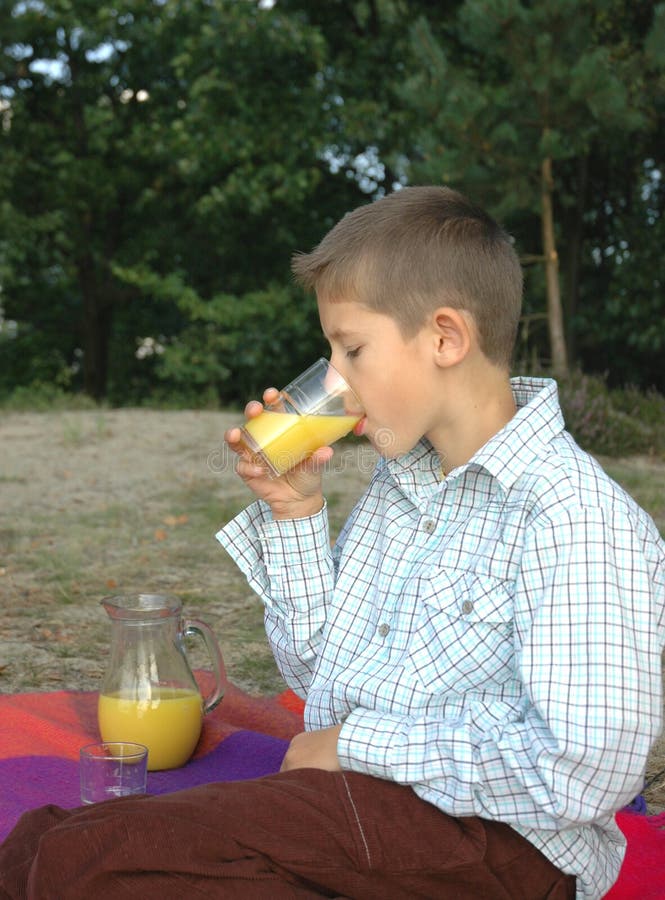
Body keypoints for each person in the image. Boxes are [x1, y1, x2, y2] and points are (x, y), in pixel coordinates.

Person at [1, 186, 663, 900]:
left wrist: (354, 746)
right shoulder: (400, 486)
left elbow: (581, 769)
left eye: (351, 349)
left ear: (444, 338)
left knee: (104, 857)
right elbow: (327, 681)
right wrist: (295, 512)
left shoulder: (573, 517)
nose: (334, 381)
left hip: (496, 848)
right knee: (50, 840)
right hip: (362, 810)